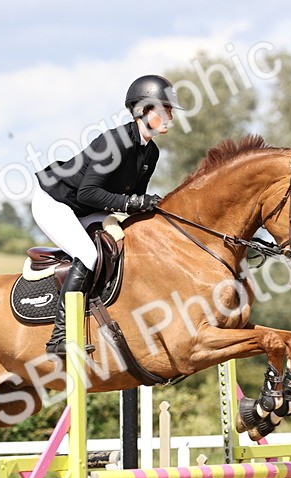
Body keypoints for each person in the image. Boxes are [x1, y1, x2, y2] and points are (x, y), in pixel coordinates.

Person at [32, 74, 184, 356]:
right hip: (57, 202)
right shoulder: (114, 142)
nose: (170, 117)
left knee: (128, 245)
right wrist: (134, 202)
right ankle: (59, 336)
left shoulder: (150, 153)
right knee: (88, 255)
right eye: (165, 110)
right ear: (143, 110)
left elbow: (132, 201)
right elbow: (87, 193)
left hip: (89, 209)